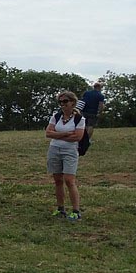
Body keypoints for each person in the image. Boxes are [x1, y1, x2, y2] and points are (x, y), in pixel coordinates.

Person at [47, 90, 85, 221]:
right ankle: (60, 208)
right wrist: (66, 134)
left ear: (73, 103)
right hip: (54, 150)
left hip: (70, 151)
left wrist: (57, 135)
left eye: (65, 102)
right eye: (60, 102)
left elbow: (78, 137)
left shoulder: (79, 119)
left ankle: (76, 211)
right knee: (58, 180)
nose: (62, 104)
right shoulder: (56, 116)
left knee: (69, 180)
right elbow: (48, 133)